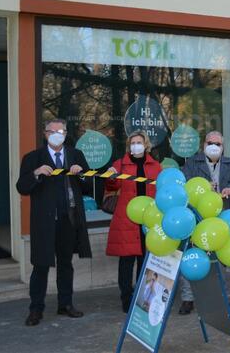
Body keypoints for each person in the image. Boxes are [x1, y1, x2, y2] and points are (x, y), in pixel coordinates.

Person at [16, 118, 93, 326]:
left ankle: (65, 304)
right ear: (46, 134)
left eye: (62, 131)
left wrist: (82, 175)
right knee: (40, 265)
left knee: (66, 265)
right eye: (54, 131)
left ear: (66, 134)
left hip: (69, 219)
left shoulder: (75, 155)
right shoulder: (33, 158)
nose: (58, 134)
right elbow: (22, 187)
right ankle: (36, 309)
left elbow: (89, 187)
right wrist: (36, 173)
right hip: (45, 222)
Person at [178, 130, 230, 314]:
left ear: (223, 147)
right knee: (191, 257)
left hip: (221, 218)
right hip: (197, 219)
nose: (214, 147)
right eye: (210, 143)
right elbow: (184, 183)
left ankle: (220, 298)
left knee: (220, 261)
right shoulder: (192, 162)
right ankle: (188, 299)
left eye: (218, 144)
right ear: (203, 145)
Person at [105, 131, 162, 313]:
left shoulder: (155, 166)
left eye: (139, 142)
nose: (135, 145)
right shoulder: (120, 164)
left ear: (146, 145)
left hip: (148, 220)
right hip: (127, 220)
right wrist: (111, 176)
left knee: (145, 262)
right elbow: (112, 186)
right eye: (132, 143)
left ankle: (141, 296)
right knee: (126, 263)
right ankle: (126, 298)